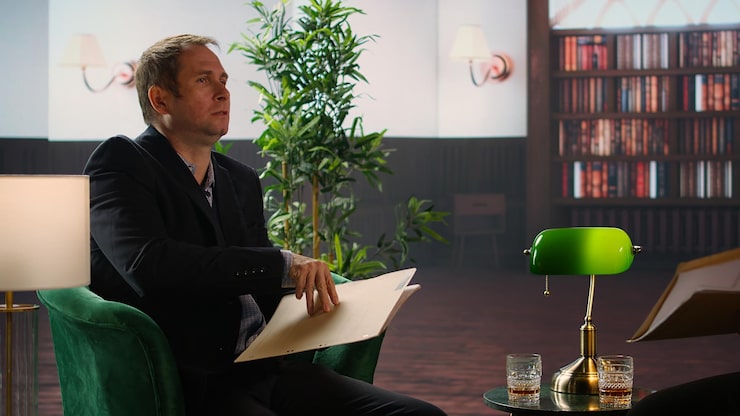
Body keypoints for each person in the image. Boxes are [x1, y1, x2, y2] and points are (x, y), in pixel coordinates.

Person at [84, 34, 447, 416]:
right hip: (191, 381)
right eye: (203, 80)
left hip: (269, 370)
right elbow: (148, 265)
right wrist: (283, 264)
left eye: (224, 80)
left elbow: (258, 280)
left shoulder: (240, 179)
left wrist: (339, 306)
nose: (223, 93)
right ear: (160, 99)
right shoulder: (121, 161)